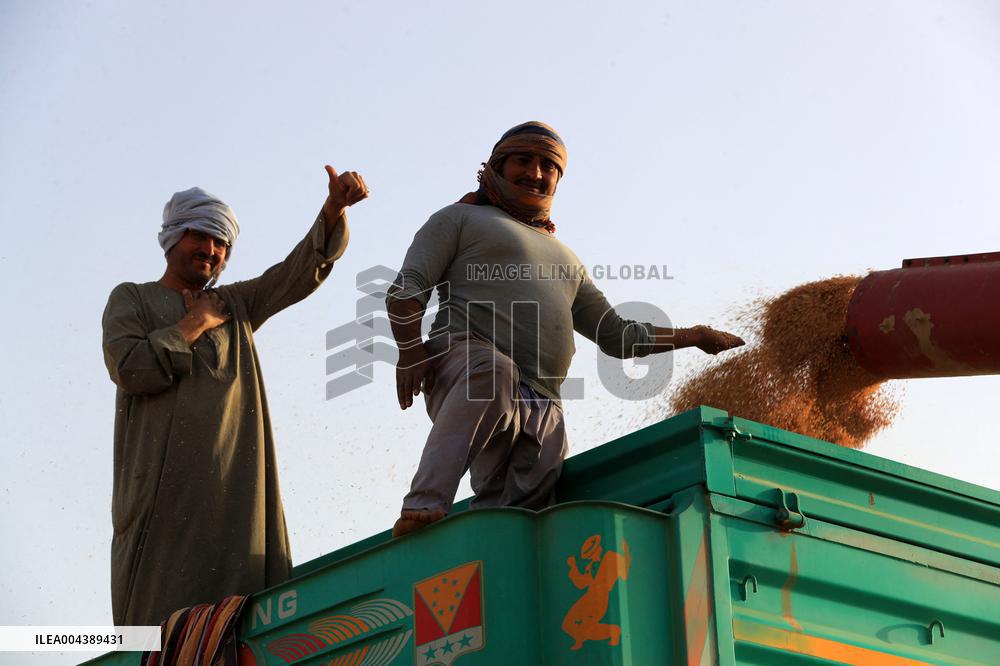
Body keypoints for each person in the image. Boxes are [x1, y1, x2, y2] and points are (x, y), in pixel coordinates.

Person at [386, 121, 743, 537]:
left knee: (525, 513)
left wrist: (696, 336)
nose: (536, 174)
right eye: (523, 161)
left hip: (542, 397)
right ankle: (423, 507)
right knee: (494, 373)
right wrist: (410, 351)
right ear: (496, 167)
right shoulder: (459, 218)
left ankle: (490, 558)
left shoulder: (567, 258)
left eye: (548, 167)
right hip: (466, 361)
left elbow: (618, 336)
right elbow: (407, 287)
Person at [102, 165, 368, 626]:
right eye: (199, 237)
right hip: (163, 498)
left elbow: (297, 273)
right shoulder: (132, 299)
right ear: (171, 239)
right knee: (160, 625)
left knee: (246, 620)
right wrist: (194, 325)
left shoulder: (237, 305)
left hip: (237, 496)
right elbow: (132, 369)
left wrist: (334, 209)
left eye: (220, 242)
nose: (210, 249)